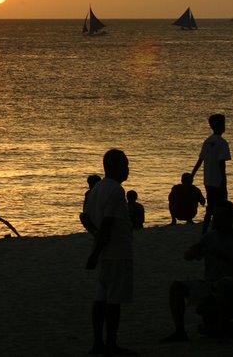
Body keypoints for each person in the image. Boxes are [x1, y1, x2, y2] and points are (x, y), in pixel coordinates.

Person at [160, 202, 233, 342]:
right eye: (214, 216)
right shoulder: (209, 237)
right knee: (176, 288)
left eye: (219, 216)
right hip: (210, 283)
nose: (215, 219)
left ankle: (223, 330)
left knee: (223, 285)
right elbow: (189, 256)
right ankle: (180, 332)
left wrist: (222, 255)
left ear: (230, 218)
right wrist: (193, 251)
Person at [84, 149, 135, 356]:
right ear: (115, 167)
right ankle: (111, 344)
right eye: (125, 165)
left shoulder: (97, 188)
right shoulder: (115, 191)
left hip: (106, 252)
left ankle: (98, 342)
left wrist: (95, 239)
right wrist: (96, 251)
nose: (128, 169)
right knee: (113, 301)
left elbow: (85, 218)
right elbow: (107, 224)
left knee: (101, 298)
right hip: (116, 252)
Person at [191, 113, 231, 233]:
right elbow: (221, 164)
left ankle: (205, 230)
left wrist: (193, 174)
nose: (225, 126)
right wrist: (223, 181)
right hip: (218, 180)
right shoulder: (222, 142)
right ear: (219, 126)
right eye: (223, 124)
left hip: (208, 180)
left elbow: (200, 160)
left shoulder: (207, 141)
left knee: (210, 207)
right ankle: (217, 229)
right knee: (221, 206)